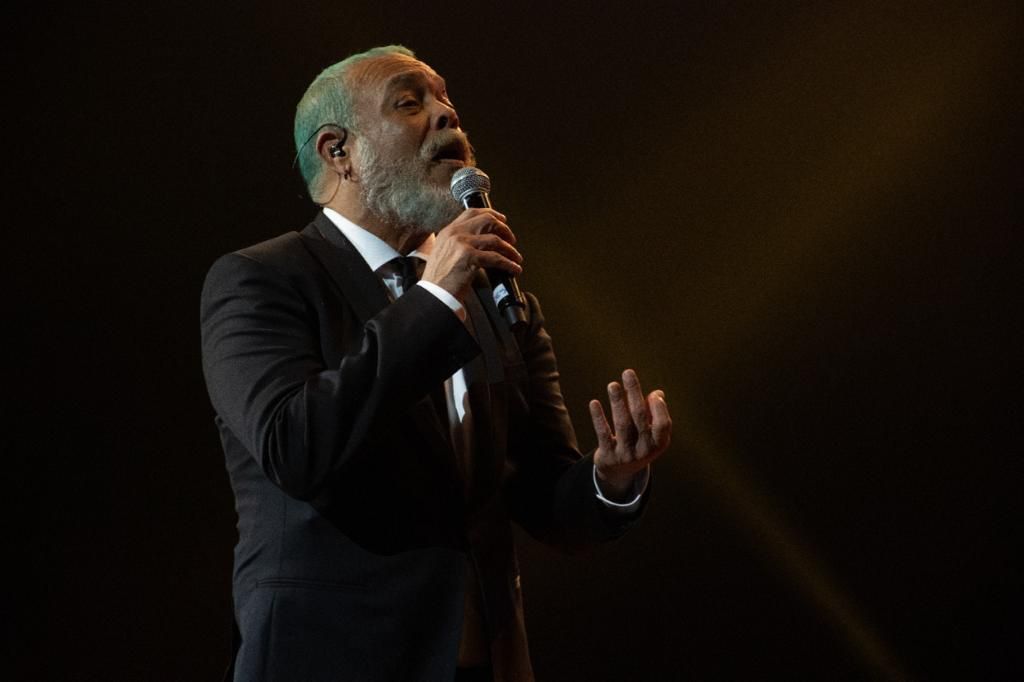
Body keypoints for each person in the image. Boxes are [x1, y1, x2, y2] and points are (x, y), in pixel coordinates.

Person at [200, 45, 672, 682]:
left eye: (447, 101)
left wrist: (611, 479)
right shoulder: (263, 279)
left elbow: (547, 501)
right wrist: (435, 298)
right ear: (338, 151)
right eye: (409, 102)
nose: (448, 116)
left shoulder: (497, 300)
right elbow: (295, 446)